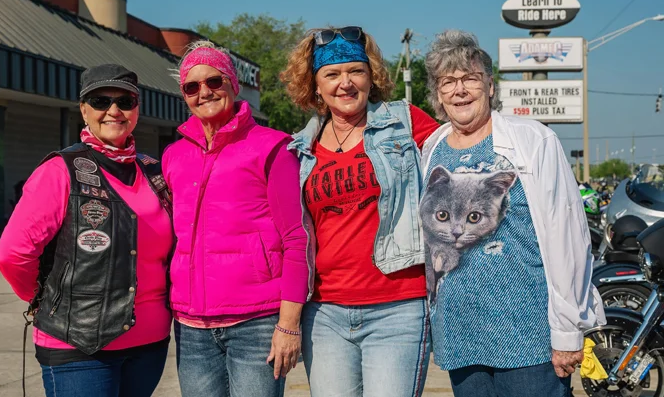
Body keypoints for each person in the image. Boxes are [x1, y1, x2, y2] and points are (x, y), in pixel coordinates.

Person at [418, 30, 606, 397]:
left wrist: (568, 331)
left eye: (470, 78)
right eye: (448, 82)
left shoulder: (533, 140)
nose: (460, 90)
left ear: (490, 85)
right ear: (438, 94)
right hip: (461, 336)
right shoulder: (433, 148)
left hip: (528, 339)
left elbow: (568, 235)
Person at [0, 64, 174, 397]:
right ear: (83, 110)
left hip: (150, 344)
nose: (114, 110)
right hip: (78, 346)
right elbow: (13, 254)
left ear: (138, 108)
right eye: (100, 100)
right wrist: (44, 298)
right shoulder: (59, 171)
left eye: (125, 101)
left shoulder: (154, 172)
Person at [280, 26, 440, 397]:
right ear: (315, 85)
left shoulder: (405, 122)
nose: (345, 83)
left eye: (356, 71)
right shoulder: (301, 148)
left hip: (397, 306)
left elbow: (458, 161)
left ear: (371, 77)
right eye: (332, 75)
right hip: (324, 313)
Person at [163, 41, 308, 397]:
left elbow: (297, 238)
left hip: (256, 323)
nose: (204, 92)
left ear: (232, 83)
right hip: (191, 325)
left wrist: (288, 325)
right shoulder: (173, 156)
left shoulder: (272, 148)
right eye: (192, 87)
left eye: (214, 81)